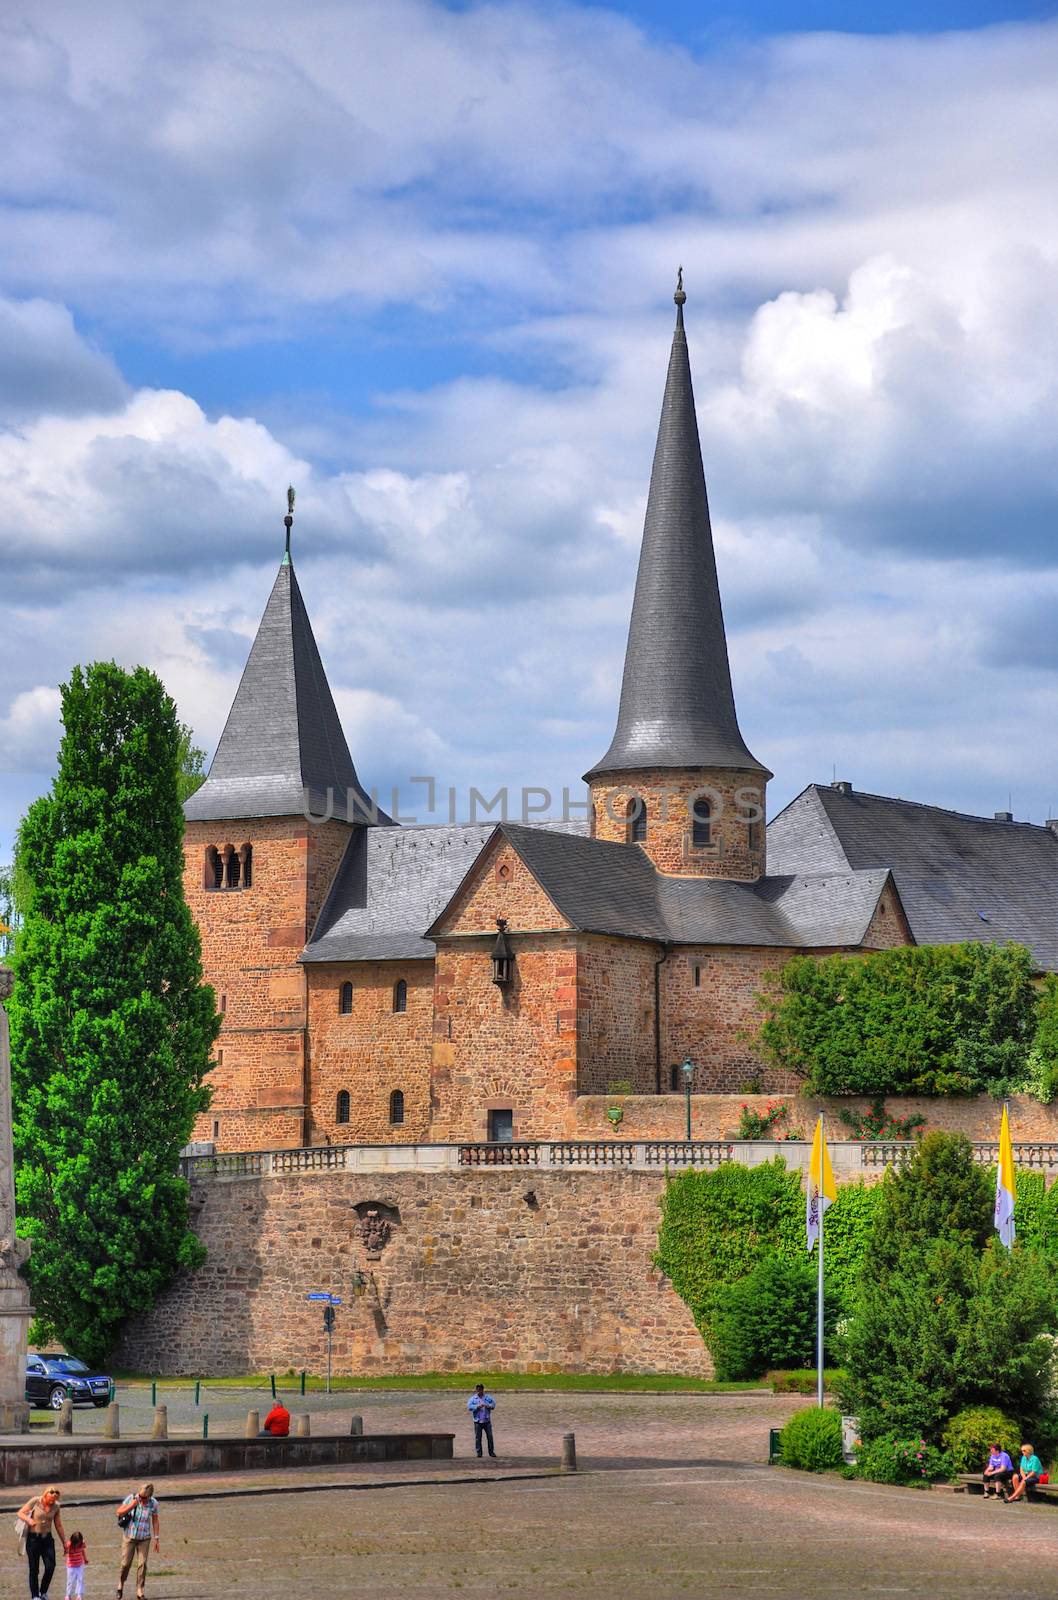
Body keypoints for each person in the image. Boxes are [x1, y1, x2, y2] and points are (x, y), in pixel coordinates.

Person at [17, 1484, 66, 1600]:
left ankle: (43, 1592)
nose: (51, 1503)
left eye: (54, 1501)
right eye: (50, 1500)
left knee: (51, 1566)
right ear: (45, 1495)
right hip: (33, 1539)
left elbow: (58, 1525)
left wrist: (65, 1541)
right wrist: (29, 1519)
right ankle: (35, 1595)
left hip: (47, 1540)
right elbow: (20, 1512)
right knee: (34, 1568)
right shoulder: (35, 1501)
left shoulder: (56, 1506)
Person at [116, 1483, 160, 1599]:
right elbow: (119, 1512)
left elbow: (155, 1521)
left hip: (144, 1538)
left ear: (149, 1497)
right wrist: (132, 1505)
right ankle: (121, 1584)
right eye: (140, 1496)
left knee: (143, 1564)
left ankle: (140, 1589)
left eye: (144, 1497)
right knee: (125, 1564)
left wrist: (156, 1538)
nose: (141, 1499)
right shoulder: (131, 1498)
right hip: (129, 1537)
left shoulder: (153, 1503)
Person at [467, 1383, 496, 1459]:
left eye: (480, 1389)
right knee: (478, 1437)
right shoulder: (473, 1398)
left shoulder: (487, 1398)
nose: (479, 1391)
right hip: (477, 1421)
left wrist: (488, 1406)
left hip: (486, 1421)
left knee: (490, 1437)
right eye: (477, 1389)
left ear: (483, 1389)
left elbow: (493, 1404)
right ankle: (479, 1452)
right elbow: (469, 1407)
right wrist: (477, 1406)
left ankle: (491, 1452)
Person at [63, 1532, 87, 1600]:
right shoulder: (69, 1544)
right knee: (70, 1581)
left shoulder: (82, 1543)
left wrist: (85, 1559)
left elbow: (83, 1551)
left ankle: (79, 1595)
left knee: (80, 1580)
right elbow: (65, 1552)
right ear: (73, 1541)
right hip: (71, 1566)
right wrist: (66, 1550)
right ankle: (68, 1595)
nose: (77, 1545)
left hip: (80, 1565)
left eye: (78, 1543)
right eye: (76, 1543)